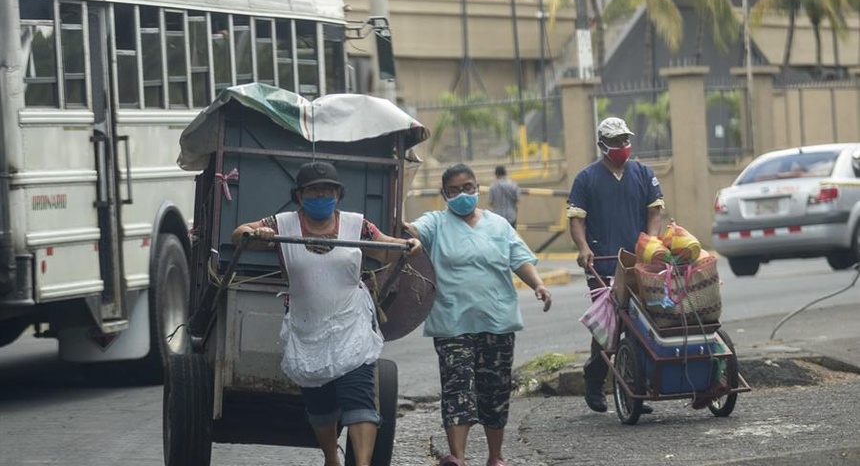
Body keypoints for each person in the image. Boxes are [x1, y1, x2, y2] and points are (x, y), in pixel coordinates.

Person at [232, 161, 422, 466]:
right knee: (320, 408)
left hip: (352, 326)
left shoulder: (357, 225)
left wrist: (409, 245)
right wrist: (257, 234)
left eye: (328, 190)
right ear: (299, 195)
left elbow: (387, 248)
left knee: (360, 400)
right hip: (307, 330)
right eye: (314, 190)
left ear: (338, 194)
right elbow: (240, 233)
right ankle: (331, 456)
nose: (322, 195)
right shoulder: (283, 224)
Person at [405, 163, 552, 466]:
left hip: (496, 321)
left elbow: (519, 259)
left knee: (494, 391)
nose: (462, 194)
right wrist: (405, 232)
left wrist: (538, 285)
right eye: (454, 190)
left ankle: (495, 457)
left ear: (478, 188)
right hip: (451, 324)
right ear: (444, 194)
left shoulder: (498, 225)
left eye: (467, 187)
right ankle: (457, 458)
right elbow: (413, 231)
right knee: (457, 388)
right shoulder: (436, 223)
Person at [566, 117, 664, 414]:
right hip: (603, 263)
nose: (622, 146)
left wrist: (652, 244)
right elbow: (576, 220)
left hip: (638, 264)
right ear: (602, 145)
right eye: (616, 141)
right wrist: (584, 249)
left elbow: (654, 213)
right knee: (608, 329)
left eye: (625, 140)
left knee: (641, 329)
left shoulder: (644, 174)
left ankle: (633, 388)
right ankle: (594, 379)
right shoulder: (587, 179)